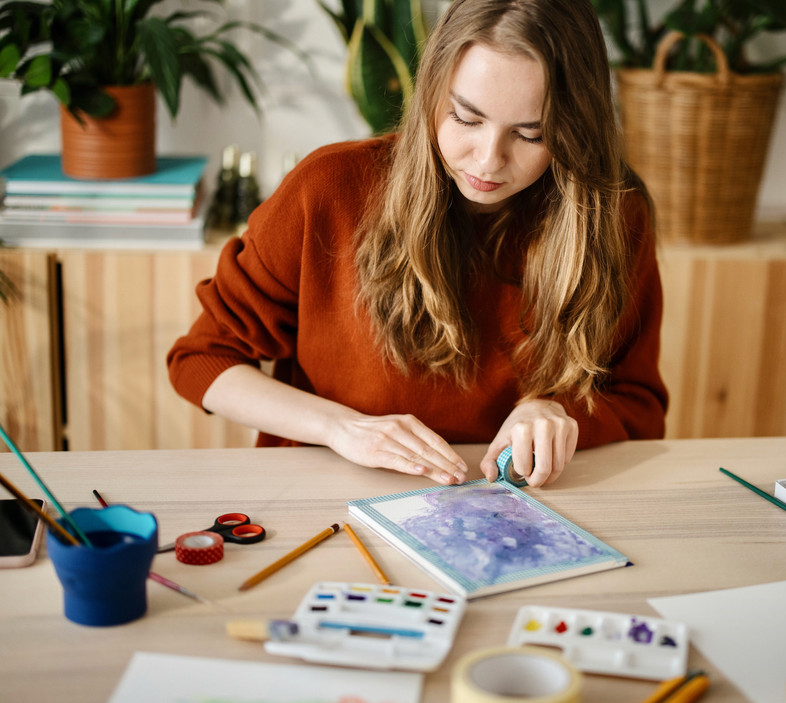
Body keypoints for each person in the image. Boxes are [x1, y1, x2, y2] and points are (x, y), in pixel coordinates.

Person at [167, 0, 667, 488]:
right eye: (467, 119)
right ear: (430, 91)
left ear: (575, 127)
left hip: (511, 511)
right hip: (328, 499)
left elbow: (638, 402)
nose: (489, 160)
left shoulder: (616, 217)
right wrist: (339, 428)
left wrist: (559, 410)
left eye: (531, 134)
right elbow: (203, 362)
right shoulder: (328, 189)